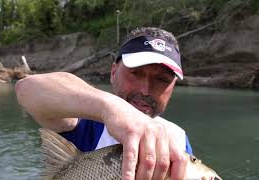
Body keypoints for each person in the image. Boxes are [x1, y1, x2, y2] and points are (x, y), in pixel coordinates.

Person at [15, 27, 192, 180]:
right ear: (113, 72)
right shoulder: (84, 121)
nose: (145, 90)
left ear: (173, 86)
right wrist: (110, 107)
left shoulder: (178, 139)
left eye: (161, 79)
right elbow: (26, 89)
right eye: (136, 73)